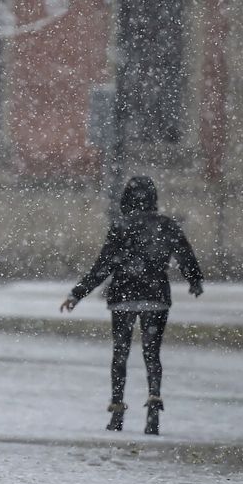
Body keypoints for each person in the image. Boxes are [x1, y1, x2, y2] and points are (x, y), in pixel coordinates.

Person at [60, 175, 203, 435]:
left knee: (120, 354)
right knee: (152, 353)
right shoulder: (166, 225)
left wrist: (77, 294)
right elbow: (184, 253)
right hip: (155, 296)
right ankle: (154, 406)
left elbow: (104, 265)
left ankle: (117, 411)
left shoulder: (121, 226)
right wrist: (194, 280)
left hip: (124, 296)